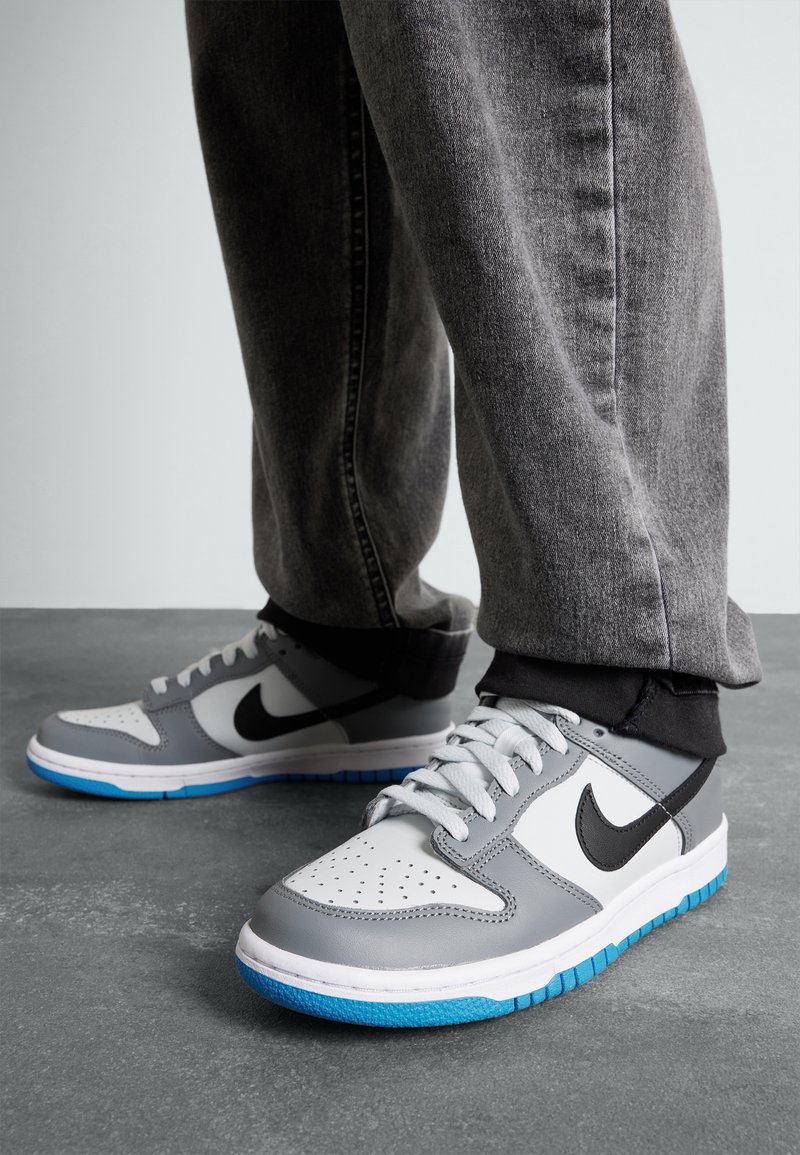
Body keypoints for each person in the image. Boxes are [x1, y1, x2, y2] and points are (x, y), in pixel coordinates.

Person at [26, 1, 761, 1027]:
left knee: (498, 29)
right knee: (285, 54)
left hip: (629, 699)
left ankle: (624, 697)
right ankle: (351, 637)